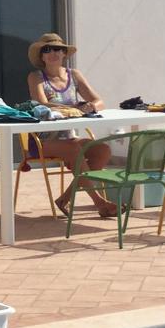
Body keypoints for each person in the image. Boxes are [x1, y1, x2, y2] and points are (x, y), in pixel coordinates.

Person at [25, 33, 120, 218]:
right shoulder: (36, 77)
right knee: (74, 149)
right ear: (42, 56)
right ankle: (100, 203)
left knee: (102, 150)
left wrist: (90, 106)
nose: (53, 53)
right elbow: (42, 105)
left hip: (69, 137)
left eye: (58, 49)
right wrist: (75, 108)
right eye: (47, 49)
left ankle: (64, 199)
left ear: (64, 53)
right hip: (42, 140)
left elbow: (99, 101)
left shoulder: (74, 75)